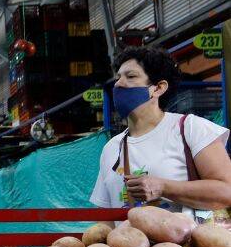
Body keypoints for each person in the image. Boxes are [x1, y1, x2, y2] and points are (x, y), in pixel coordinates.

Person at [90, 46, 231, 222]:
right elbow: (106, 220)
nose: (118, 84)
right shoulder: (111, 148)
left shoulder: (190, 128)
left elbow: (226, 191)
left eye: (131, 76)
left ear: (158, 88)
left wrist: (163, 187)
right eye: (118, 77)